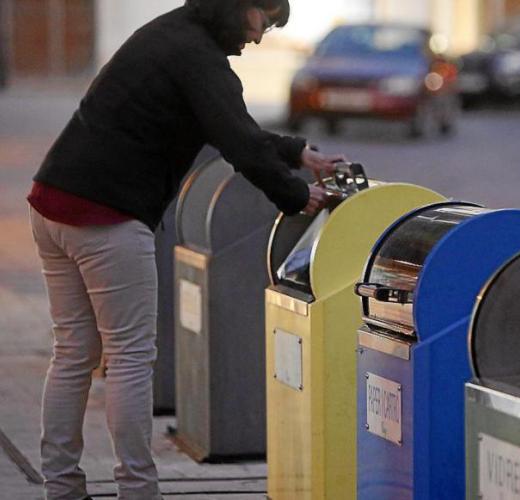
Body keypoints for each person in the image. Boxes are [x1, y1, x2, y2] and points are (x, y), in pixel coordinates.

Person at [26, 1, 342, 499]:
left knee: (72, 353)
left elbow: (230, 128)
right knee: (130, 357)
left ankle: (62, 486)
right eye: (263, 20)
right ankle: (138, 490)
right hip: (107, 216)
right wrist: (297, 195)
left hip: (53, 200)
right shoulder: (200, 59)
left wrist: (296, 152)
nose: (259, 36)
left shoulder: (170, 34)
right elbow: (240, 144)